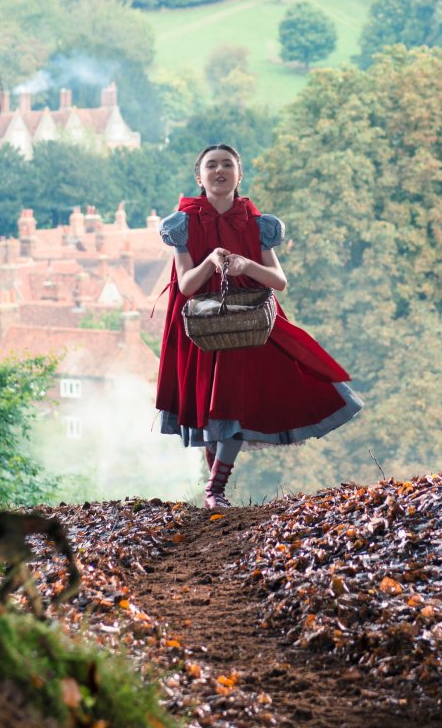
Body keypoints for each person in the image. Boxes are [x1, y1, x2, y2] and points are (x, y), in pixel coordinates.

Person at [154, 143, 362, 509]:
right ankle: (214, 491)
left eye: (227, 165)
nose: (220, 171)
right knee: (208, 411)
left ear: (239, 173)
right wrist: (212, 261)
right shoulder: (182, 224)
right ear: (198, 176)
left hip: (249, 327)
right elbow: (186, 286)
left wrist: (245, 266)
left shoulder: (257, 223)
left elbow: (278, 280)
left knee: (230, 406)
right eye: (211, 165)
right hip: (202, 329)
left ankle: (215, 490)